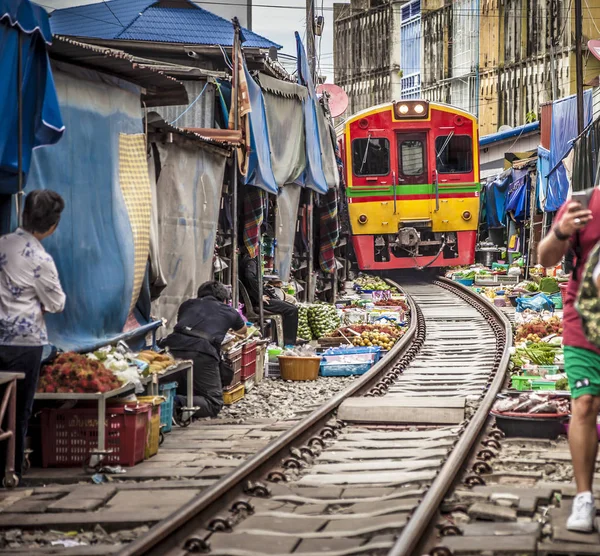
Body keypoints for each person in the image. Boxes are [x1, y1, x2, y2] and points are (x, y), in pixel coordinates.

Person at [538, 192, 597, 532]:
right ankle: (584, 497)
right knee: (585, 403)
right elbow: (545, 257)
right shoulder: (585, 204)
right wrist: (561, 231)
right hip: (584, 323)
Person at [0, 190, 66, 480]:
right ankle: (10, 469)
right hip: (24, 343)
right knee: (18, 408)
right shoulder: (40, 259)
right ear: (52, 225)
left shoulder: (2, 244)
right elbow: (56, 303)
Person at [160, 281, 247, 419]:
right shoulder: (229, 311)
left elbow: (185, 323)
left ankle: (163, 400)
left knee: (176, 383)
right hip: (202, 351)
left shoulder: (187, 305)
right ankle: (174, 404)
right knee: (214, 403)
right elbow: (243, 330)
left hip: (171, 347)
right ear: (224, 299)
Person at [240, 253, 299, 346]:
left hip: (258, 299)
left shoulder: (247, 260)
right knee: (292, 310)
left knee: (291, 306)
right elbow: (249, 277)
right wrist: (259, 296)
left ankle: (282, 340)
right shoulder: (250, 261)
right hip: (257, 302)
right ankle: (288, 344)